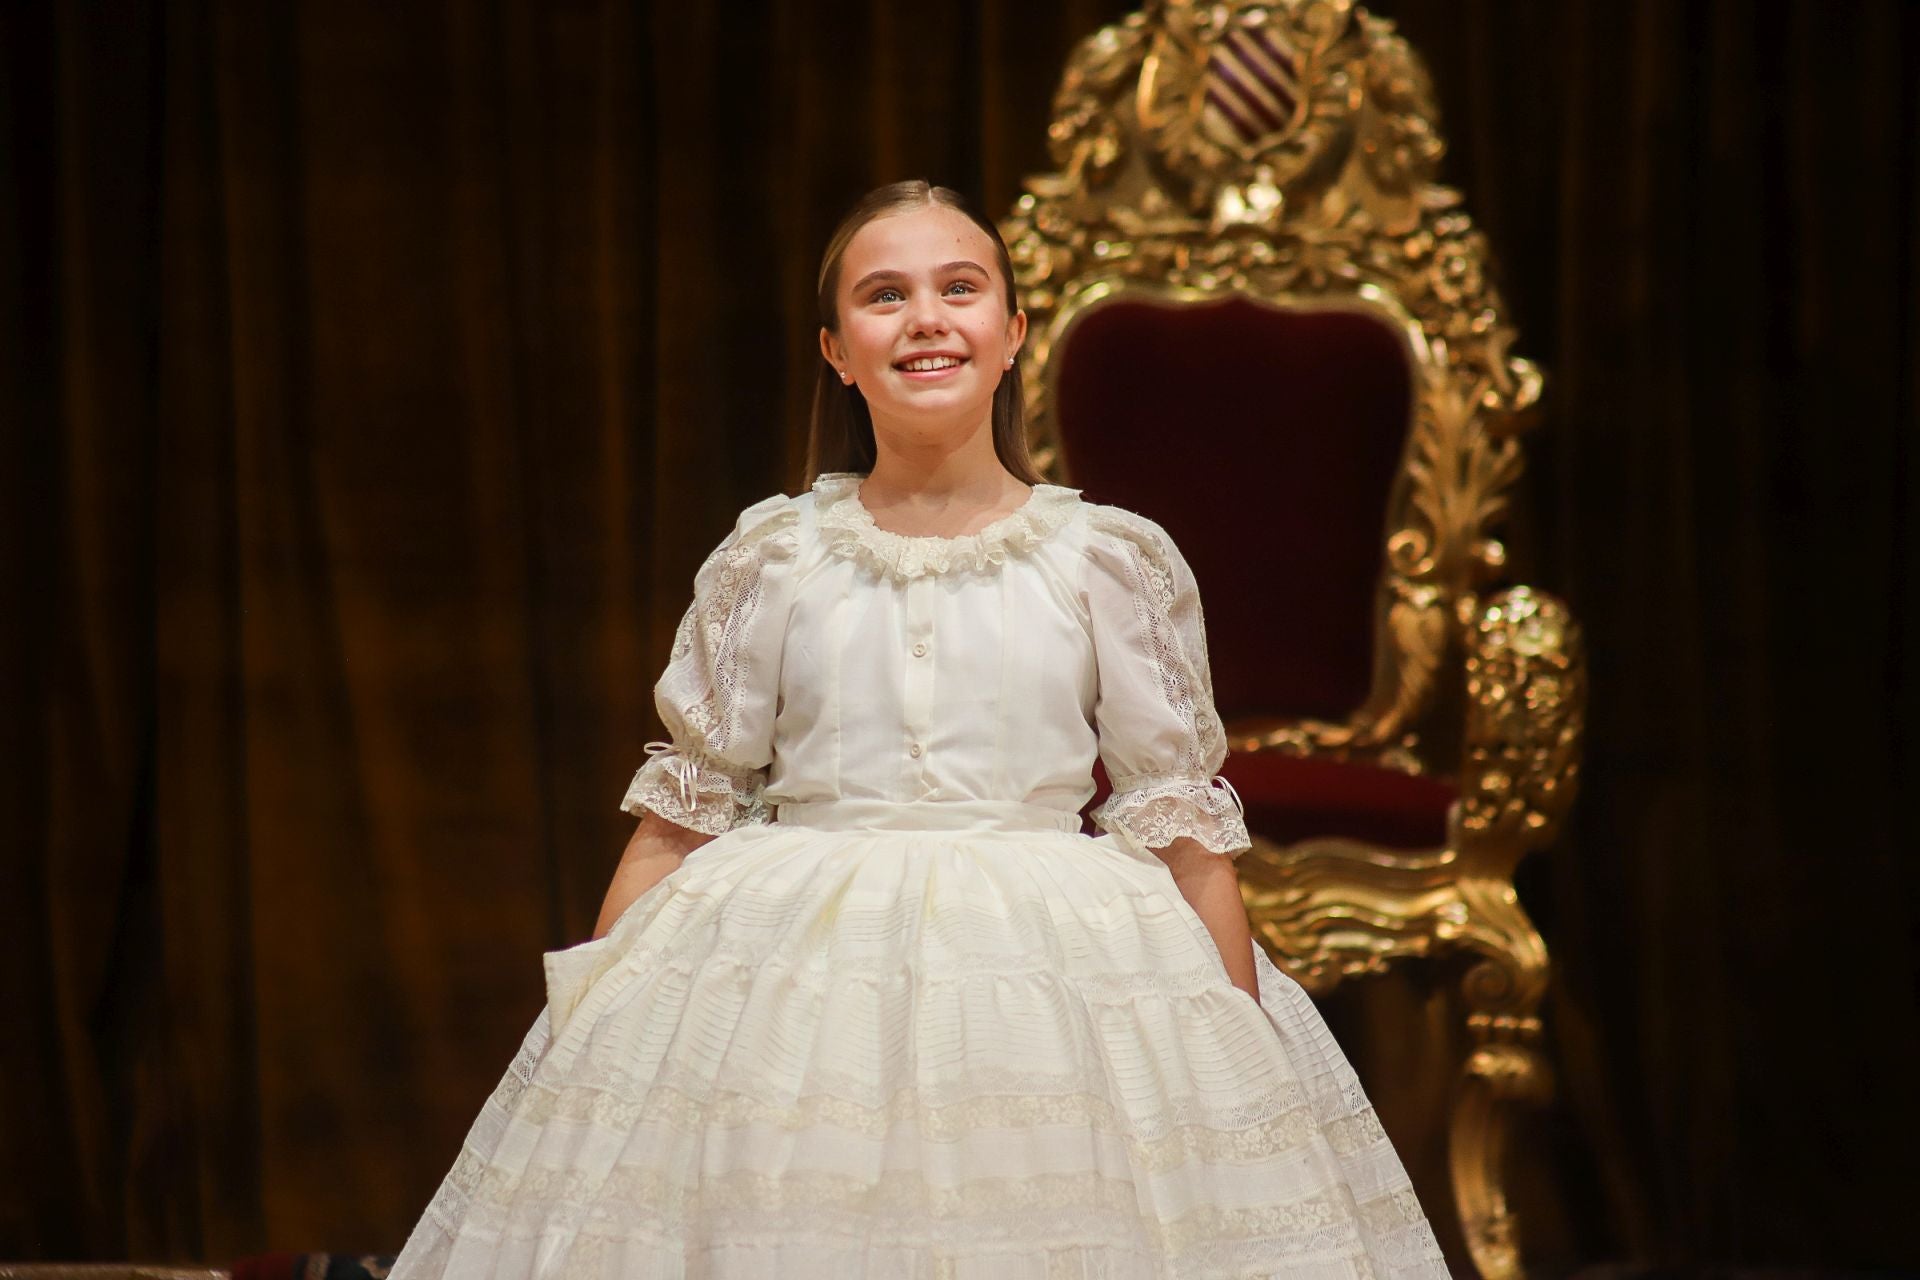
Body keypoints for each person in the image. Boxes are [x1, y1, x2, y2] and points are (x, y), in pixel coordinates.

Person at [389, 180, 1447, 1278]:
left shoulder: (1105, 559)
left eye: (960, 288)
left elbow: (1178, 819)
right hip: (791, 965)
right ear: (838, 350)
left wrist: (1241, 1056)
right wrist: (596, 1014)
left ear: (1012, 333)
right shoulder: (774, 558)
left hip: (1047, 960)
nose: (926, 317)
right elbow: (686, 804)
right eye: (884, 295)